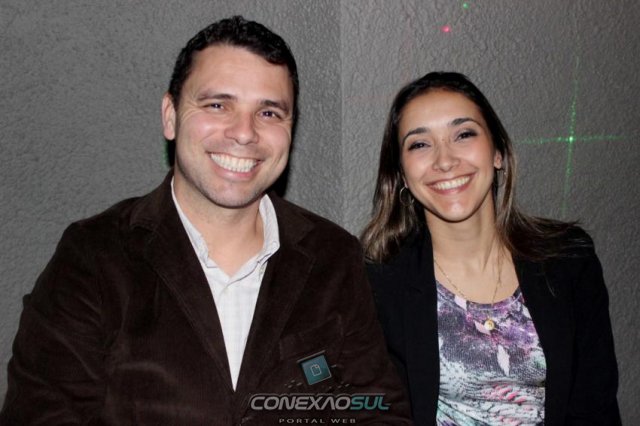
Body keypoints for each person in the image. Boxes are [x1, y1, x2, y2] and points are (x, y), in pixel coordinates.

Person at [1, 16, 410, 425]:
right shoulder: (93, 256)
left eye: (269, 112)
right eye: (218, 105)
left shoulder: (332, 256)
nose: (244, 133)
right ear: (170, 115)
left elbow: (378, 412)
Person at [361, 71, 620, 425]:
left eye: (463, 134)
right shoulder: (377, 282)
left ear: (498, 152)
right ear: (402, 174)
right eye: (420, 144)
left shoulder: (568, 259)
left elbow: (595, 406)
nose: (445, 160)